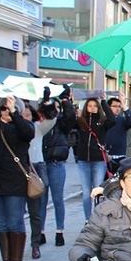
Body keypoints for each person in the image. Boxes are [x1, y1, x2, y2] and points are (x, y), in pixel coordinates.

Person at [0, 96, 35, 261]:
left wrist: (15, 112)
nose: (6, 110)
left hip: (15, 182)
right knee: (1, 224)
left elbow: (28, 133)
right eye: (3, 107)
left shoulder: (22, 127)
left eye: (9, 108)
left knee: (14, 221)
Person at [40, 86, 76, 247]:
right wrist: (46, 101)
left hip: (56, 163)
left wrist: (66, 101)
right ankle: (40, 232)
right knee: (41, 200)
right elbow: (44, 112)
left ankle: (59, 231)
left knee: (57, 199)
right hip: (41, 164)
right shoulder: (43, 122)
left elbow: (70, 117)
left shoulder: (62, 123)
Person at [75, 96, 115, 220]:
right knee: (86, 193)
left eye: (95, 106)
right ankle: (88, 219)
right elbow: (68, 120)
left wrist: (103, 102)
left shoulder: (102, 122)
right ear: (86, 107)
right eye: (90, 106)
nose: (92, 108)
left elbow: (112, 120)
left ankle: (98, 218)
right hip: (83, 161)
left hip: (98, 161)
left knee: (98, 190)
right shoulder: (81, 121)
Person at [22, 104, 47, 260]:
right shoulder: (11, 129)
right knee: (16, 215)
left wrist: (47, 101)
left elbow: (52, 119)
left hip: (34, 169)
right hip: (16, 172)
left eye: (28, 115)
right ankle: (15, 248)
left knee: (35, 213)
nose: (25, 118)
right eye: (22, 115)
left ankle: (35, 244)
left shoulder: (38, 128)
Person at [104, 94, 131, 164]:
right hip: (104, 155)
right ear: (108, 107)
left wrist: (124, 105)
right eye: (114, 106)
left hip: (120, 156)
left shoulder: (122, 120)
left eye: (119, 106)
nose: (117, 108)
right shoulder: (102, 120)